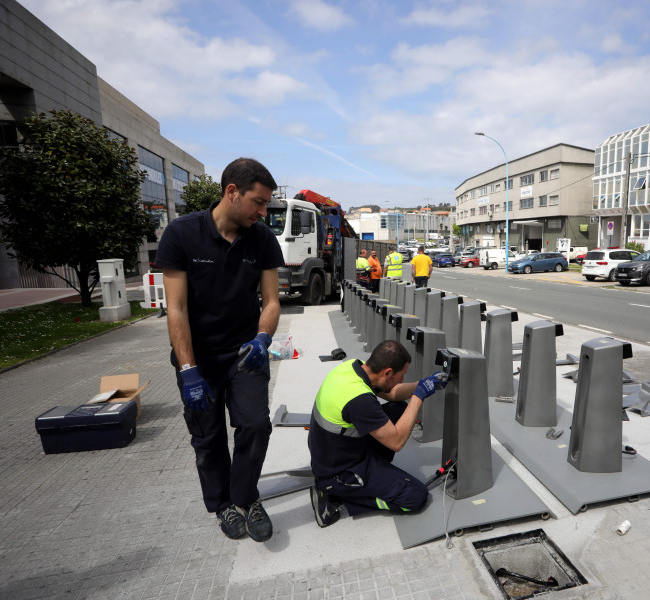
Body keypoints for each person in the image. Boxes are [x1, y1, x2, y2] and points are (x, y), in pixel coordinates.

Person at [155, 157, 284, 543]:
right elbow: (175, 308)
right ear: (232, 192)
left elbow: (272, 301)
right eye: (259, 202)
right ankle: (222, 504)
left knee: (256, 425)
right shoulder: (181, 235)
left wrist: (263, 338)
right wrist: (187, 369)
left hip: (245, 353)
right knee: (207, 437)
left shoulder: (261, 238)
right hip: (199, 359)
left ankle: (246, 499)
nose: (263, 212)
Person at [307, 340, 448, 527]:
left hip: (336, 450)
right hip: (340, 470)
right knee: (415, 496)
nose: (402, 380)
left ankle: (375, 475)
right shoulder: (360, 400)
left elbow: (392, 394)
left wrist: (424, 384)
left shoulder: (351, 368)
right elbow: (396, 442)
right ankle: (335, 493)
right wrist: (418, 397)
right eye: (401, 376)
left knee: (398, 409)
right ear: (388, 372)